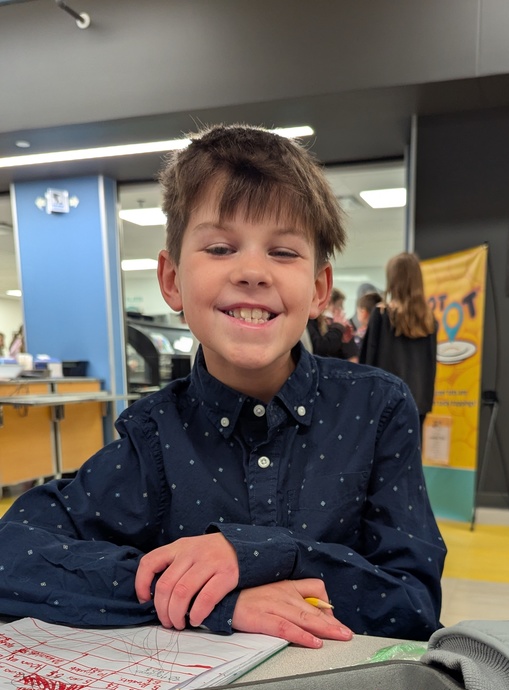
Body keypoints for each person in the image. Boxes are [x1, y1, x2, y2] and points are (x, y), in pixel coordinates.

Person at [0, 125, 446, 646]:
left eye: (283, 252)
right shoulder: (153, 437)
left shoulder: (377, 408)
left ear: (319, 289)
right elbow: (13, 554)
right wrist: (214, 599)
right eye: (219, 247)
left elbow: (414, 603)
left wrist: (262, 554)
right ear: (172, 282)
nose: (253, 270)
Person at [360, 253, 437, 436]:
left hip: (384, 404)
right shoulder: (429, 321)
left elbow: (366, 364)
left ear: (392, 280)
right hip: (418, 404)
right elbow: (431, 367)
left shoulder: (381, 316)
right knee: (410, 460)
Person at [306, 287, 355, 359]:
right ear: (328, 303)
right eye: (340, 306)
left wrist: (344, 340)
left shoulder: (323, 324)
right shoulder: (309, 321)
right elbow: (320, 348)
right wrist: (338, 328)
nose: (342, 309)